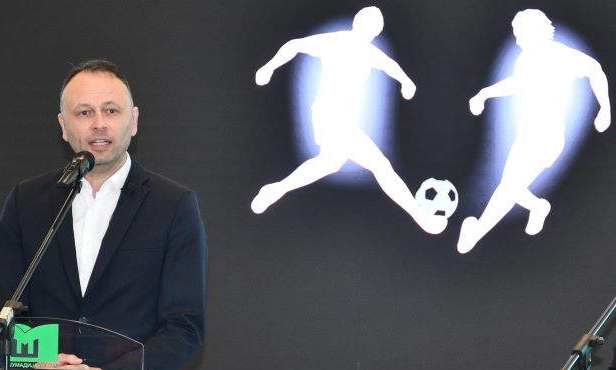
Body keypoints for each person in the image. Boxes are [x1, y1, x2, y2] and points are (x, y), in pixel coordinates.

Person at [0, 59, 207, 370]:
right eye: (84, 112)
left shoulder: (173, 204)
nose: (99, 123)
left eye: (111, 110)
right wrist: (42, 367)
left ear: (134, 121)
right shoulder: (27, 201)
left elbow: (184, 326)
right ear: (63, 126)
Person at [250, 6, 447, 235]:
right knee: (377, 165)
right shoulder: (335, 41)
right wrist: (268, 68)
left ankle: (275, 189)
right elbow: (294, 45)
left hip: (342, 120)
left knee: (336, 163)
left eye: (375, 28)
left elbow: (391, 66)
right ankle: (419, 215)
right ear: (357, 22)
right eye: (369, 25)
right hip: (328, 114)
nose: (371, 31)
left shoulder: (369, 52)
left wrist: (406, 83)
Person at [457, 9, 611, 253]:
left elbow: (595, 70)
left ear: (535, 31)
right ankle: (531, 209)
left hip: (547, 136)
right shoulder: (526, 59)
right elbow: (516, 83)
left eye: (520, 33)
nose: (518, 39)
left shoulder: (561, 55)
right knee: (508, 186)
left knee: (508, 187)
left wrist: (605, 110)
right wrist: (484, 94)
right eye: (516, 34)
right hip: (526, 134)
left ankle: (480, 231)